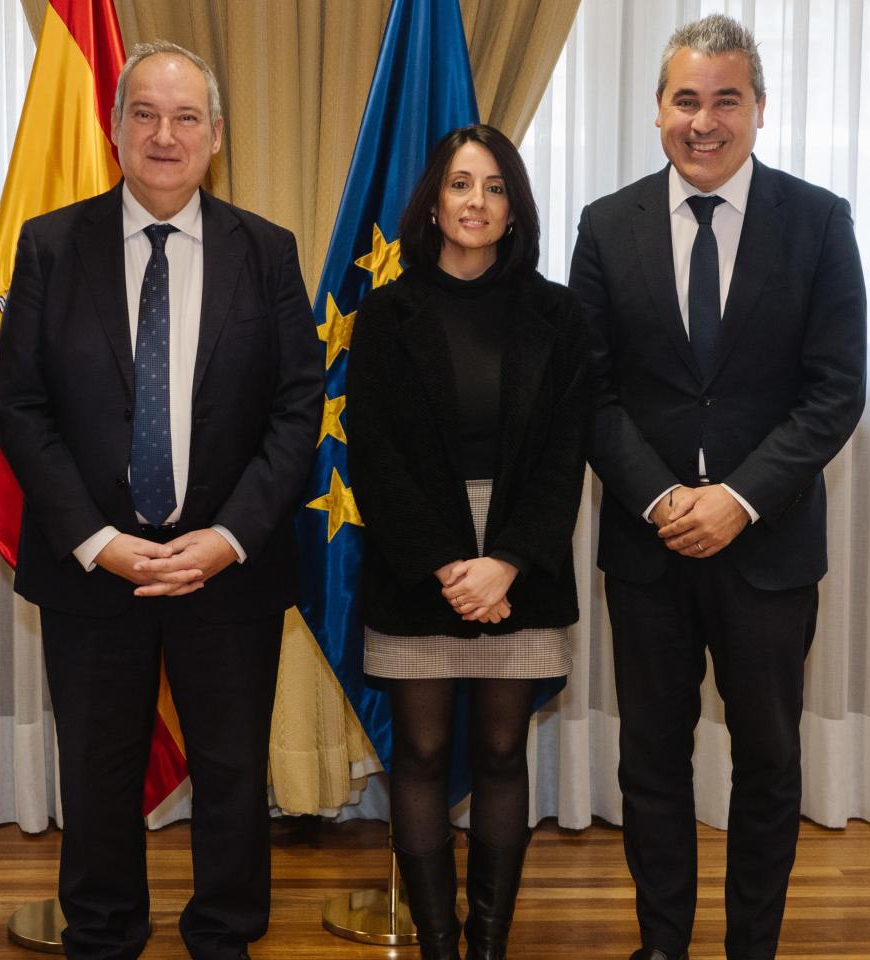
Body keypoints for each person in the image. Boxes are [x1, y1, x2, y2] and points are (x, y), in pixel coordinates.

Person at [0, 41, 324, 960]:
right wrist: (96, 539)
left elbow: (300, 408)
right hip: (94, 567)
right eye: (146, 113)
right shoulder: (52, 246)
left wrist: (229, 536)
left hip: (227, 568)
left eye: (186, 118)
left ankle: (223, 935)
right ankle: (101, 935)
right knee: (98, 775)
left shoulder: (268, 251)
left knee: (229, 770)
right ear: (115, 128)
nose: (165, 135)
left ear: (216, 134)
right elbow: (19, 407)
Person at [568, 15, 867, 960]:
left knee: (769, 763)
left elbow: (835, 391)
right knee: (649, 759)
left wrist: (736, 499)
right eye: (686, 100)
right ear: (658, 111)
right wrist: (663, 500)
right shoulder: (605, 226)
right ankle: (661, 945)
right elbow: (589, 389)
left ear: (759, 110)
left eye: (725, 100)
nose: (705, 121)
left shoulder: (819, 221)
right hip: (648, 548)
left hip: (768, 547)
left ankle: (751, 949)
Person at [349, 124, 590, 960]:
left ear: (514, 206)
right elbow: (371, 453)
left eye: (492, 187)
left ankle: (488, 946)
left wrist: (507, 563)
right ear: (435, 201)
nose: (475, 202)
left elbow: (567, 453)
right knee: (416, 752)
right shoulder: (386, 313)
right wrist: (449, 565)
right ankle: (438, 948)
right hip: (422, 556)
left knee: (498, 750)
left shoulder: (559, 313)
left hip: (522, 556)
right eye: (459, 185)